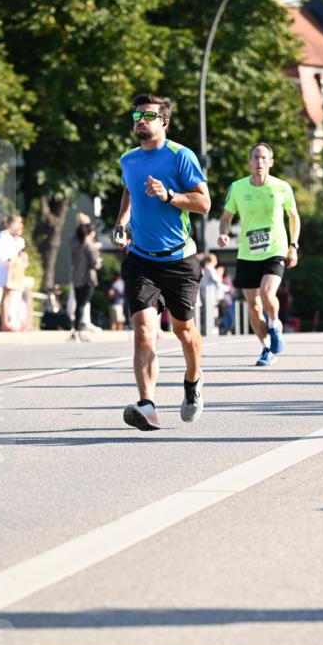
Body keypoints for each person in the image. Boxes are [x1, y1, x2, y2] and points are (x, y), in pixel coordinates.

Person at [113, 92, 210, 430]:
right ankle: (147, 404)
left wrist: (170, 196)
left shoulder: (180, 157)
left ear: (164, 121)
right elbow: (129, 189)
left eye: (149, 116)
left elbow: (204, 202)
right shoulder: (129, 159)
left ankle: (194, 381)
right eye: (137, 115)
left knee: (183, 329)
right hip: (140, 258)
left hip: (179, 260)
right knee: (143, 331)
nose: (141, 120)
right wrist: (122, 220)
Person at [217, 143, 301, 365]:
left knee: (266, 294)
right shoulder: (237, 188)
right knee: (253, 308)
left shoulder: (282, 187)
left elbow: (293, 216)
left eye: (264, 158)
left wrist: (294, 245)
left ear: (271, 162)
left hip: (275, 250)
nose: (260, 162)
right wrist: (224, 234)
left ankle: (274, 324)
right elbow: (226, 218)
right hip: (248, 253)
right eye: (256, 157)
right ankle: (266, 348)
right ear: (249, 162)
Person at [0, 213, 28, 332]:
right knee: (6, 296)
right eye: (17, 222)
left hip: (14, 272)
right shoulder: (3, 236)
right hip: (5, 270)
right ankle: (4, 322)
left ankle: (11, 320)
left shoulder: (16, 239)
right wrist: (10, 259)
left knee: (12, 296)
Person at [70, 222, 99, 339]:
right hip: (87, 278)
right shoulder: (89, 244)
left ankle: (76, 329)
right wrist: (99, 262)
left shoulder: (74, 244)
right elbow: (94, 263)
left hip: (76, 277)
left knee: (78, 304)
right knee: (83, 304)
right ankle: (79, 330)